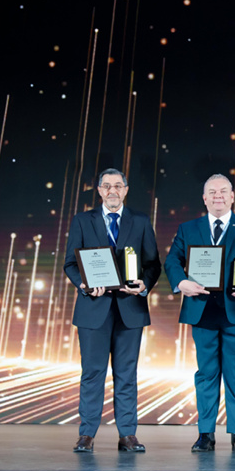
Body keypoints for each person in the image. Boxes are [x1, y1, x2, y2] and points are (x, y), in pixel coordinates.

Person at [165, 173, 235, 452]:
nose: (218, 196)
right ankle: (205, 434)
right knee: (206, 373)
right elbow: (172, 260)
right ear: (204, 198)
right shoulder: (188, 228)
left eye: (223, 191)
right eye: (212, 192)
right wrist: (181, 282)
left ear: (232, 196)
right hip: (201, 310)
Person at [64, 168, 161, 453]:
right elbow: (70, 263)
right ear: (99, 190)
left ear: (126, 190)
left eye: (118, 185)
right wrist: (83, 284)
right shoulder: (82, 220)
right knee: (92, 373)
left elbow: (153, 264)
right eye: (106, 186)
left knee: (126, 374)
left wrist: (144, 284)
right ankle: (86, 435)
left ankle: (127, 434)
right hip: (93, 308)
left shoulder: (140, 221)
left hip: (130, 308)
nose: (112, 191)